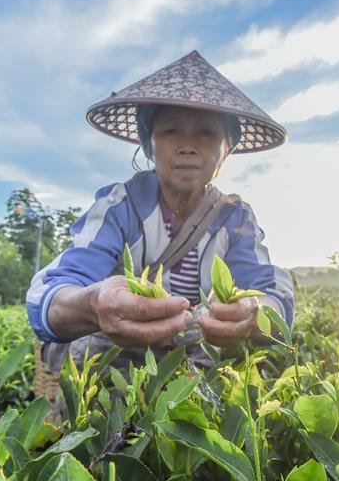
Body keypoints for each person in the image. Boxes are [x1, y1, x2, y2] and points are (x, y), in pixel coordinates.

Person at [26, 50, 294, 372]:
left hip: (190, 372)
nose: (187, 145)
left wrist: (252, 313)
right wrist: (95, 303)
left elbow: (271, 297)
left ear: (227, 150)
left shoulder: (235, 219)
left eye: (206, 133)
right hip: (112, 368)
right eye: (170, 131)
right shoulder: (119, 208)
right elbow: (53, 292)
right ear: (149, 143)